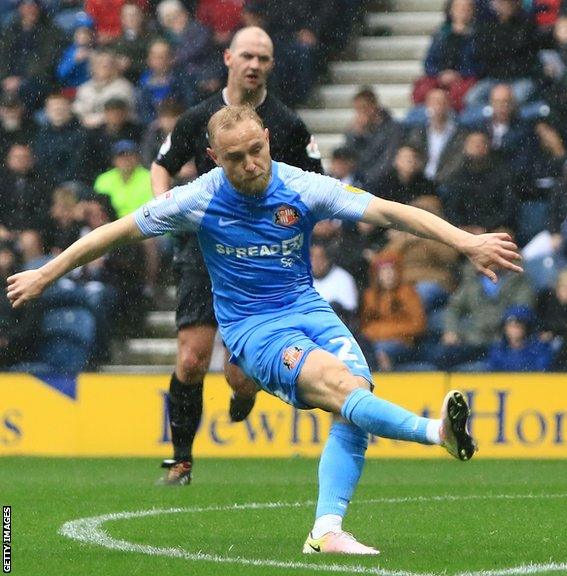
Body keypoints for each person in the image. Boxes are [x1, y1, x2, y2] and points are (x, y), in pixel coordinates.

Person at [8, 104, 521, 553]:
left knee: (356, 397)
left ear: (268, 140)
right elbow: (112, 235)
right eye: (235, 158)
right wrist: (45, 273)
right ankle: (437, 433)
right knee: (343, 389)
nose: (250, 164)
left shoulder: (301, 185)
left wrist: (466, 243)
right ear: (213, 157)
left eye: (256, 150)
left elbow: (389, 212)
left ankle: (326, 529)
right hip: (255, 331)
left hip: (311, 310)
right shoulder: (197, 199)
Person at [149, 27, 323, 485]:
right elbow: (161, 167)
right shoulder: (200, 117)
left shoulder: (286, 124)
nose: (255, 65)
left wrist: (293, 234)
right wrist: (165, 215)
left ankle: (245, 395)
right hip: (205, 254)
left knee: (240, 378)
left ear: (271, 65)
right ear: (227, 57)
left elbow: (317, 184)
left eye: (263, 58)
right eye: (247, 55)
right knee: (190, 360)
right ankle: (181, 459)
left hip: (261, 260)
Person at [360, 252, 427, 372]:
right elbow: (365, 327)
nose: (388, 275)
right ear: (377, 275)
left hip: (403, 342)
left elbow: (418, 325)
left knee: (381, 350)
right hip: (376, 341)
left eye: (391, 270)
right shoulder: (370, 295)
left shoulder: (407, 292)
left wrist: (385, 332)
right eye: (384, 271)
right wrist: (380, 332)